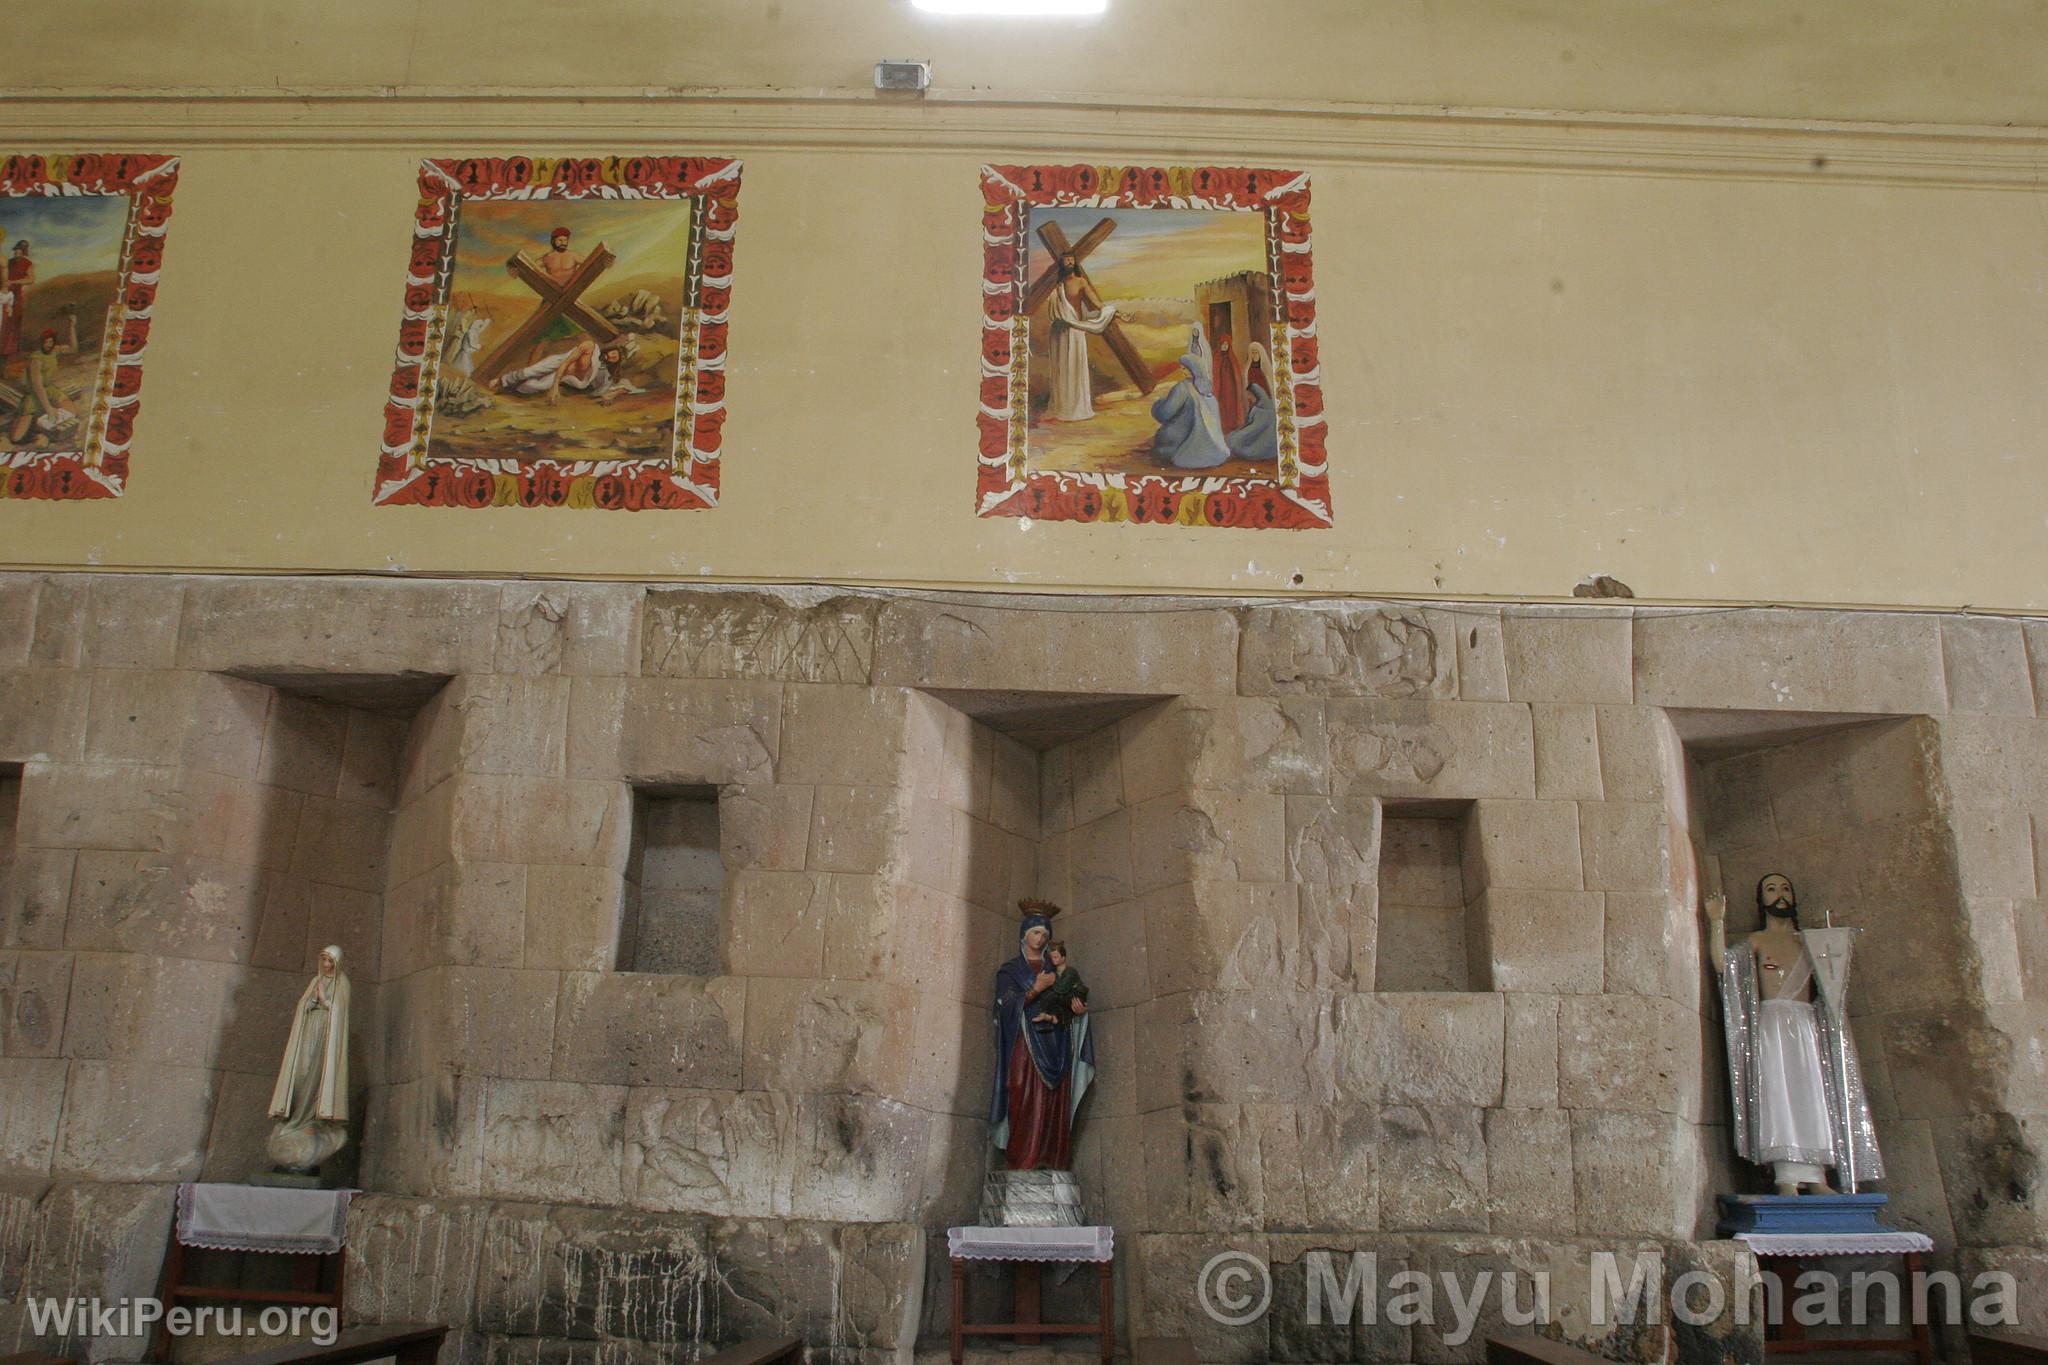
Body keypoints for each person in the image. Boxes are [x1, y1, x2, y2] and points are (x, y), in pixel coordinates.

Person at [1707, 874, 1883, 1195]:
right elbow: (1724, 966)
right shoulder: (1757, 941)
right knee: (1777, 1092)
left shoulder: (1809, 943)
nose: (1780, 895)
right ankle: (1785, 1174)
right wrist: (1717, 921)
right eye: (1771, 889)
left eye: (1785, 888)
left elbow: (1831, 985)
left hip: (1806, 1025)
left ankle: (1817, 1177)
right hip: (1771, 1025)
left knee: (1812, 1093)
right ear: (1761, 900)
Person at [990, 900, 1095, 1171]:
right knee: (1022, 1093)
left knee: (1054, 1102)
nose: (1041, 938)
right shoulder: (1010, 971)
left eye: (1045, 934)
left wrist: (1079, 1011)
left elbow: (1072, 1000)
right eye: (1036, 932)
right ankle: (1022, 1161)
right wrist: (1035, 989)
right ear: (1024, 935)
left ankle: (1052, 1159)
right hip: (1024, 1043)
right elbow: (1002, 1007)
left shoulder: (1059, 971)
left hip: (1057, 1042)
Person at [267, 946, 353, 1174]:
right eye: (323, 960)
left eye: (330, 961)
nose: (326, 965)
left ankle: (307, 1121)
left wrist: (325, 1002)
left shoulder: (342, 983)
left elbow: (339, 1010)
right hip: (308, 1034)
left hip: (326, 1036)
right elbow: (303, 1005)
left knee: (315, 1079)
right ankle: (293, 1121)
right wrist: (310, 1003)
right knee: (300, 1074)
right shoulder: (316, 980)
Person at [1044, 252, 1118, 421]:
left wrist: (1112, 311)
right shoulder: (1058, 286)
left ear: (1075, 262)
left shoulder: (1081, 282)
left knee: (1075, 366)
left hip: (1075, 328)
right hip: (1059, 332)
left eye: (1072, 259)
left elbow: (1097, 303)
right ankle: (1062, 406)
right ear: (1061, 262)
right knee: (1061, 368)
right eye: (1066, 259)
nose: (1069, 261)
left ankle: (1077, 407)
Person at [1149, 328, 1230, 469]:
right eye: (1182, 368)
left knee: (1161, 438)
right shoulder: (1205, 388)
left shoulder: (1182, 388)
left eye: (1185, 368)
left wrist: (1157, 405)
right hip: (1199, 435)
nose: (1183, 371)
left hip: (1180, 436)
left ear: (1193, 369)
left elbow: (1165, 413)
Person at [495, 335, 634, 403]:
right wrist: (555, 387)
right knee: (528, 372)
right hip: (558, 364)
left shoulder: (600, 370)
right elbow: (566, 363)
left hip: (563, 377)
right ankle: (502, 380)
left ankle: (511, 390)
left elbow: (608, 385)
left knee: (533, 386)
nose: (610, 357)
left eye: (614, 359)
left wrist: (615, 392)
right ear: (610, 350)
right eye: (612, 354)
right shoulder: (590, 346)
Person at [8, 329, 70, 446]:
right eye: (45, 342)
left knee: (73, 412)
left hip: (50, 390)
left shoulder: (55, 350)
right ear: (41, 343)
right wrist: (49, 409)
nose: (48, 345)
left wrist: (72, 327)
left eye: (50, 342)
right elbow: (38, 387)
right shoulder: (36, 359)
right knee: (16, 438)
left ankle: (41, 420)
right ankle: (36, 426)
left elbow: (74, 349)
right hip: (34, 395)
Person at [1227, 340, 1279, 462]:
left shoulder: (1265, 370)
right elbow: (1246, 386)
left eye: (1256, 352)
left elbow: (1270, 387)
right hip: (1253, 402)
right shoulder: (1247, 369)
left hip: (1265, 404)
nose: (1254, 355)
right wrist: (1250, 398)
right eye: (1252, 353)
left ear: (1260, 354)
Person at [1030, 941, 1089, 1032]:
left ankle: (1046, 1014)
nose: (1053, 959)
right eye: (1052, 957)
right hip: (1064, 999)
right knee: (1050, 996)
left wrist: (1049, 982)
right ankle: (1052, 1018)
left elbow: (1062, 988)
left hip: (1076, 997)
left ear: (1063, 957)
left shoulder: (1071, 972)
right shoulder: (1055, 973)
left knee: (1051, 995)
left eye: (1056, 957)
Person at [1, 240, 31, 362]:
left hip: (16, 295)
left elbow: (30, 279)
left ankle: (11, 351)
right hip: (4, 294)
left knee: (15, 321)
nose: (17, 252)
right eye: (16, 250)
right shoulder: (9, 262)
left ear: (24, 252)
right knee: (5, 323)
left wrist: (13, 282)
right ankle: (3, 349)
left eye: (20, 250)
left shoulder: (27, 263)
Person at [1212, 330, 1244, 432]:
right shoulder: (1217, 358)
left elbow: (1237, 375)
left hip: (1231, 388)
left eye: (1226, 344)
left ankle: (1233, 424)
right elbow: (1215, 373)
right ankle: (1223, 425)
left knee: (1231, 405)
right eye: (1223, 344)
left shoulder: (1232, 358)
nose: (1224, 346)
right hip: (1221, 388)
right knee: (1223, 406)